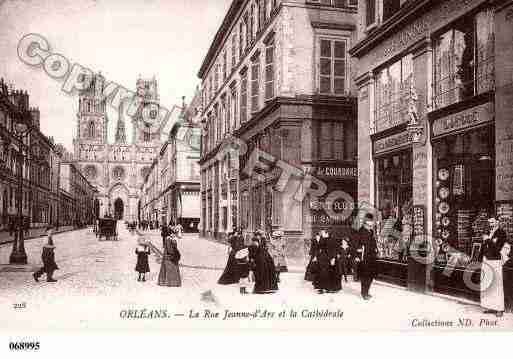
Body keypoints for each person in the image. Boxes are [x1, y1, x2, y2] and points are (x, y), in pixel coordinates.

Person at [481, 217, 508, 317]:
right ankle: (490, 306)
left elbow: (497, 249)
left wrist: (488, 239)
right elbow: (484, 247)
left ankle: (499, 309)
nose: (490, 224)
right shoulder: (488, 231)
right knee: (487, 284)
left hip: (495, 261)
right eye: (489, 222)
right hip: (486, 260)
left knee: (497, 285)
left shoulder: (501, 233)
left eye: (492, 222)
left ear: (497, 222)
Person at [352, 214, 378, 300]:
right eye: (371, 221)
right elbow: (355, 245)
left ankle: (367, 291)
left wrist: (376, 250)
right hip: (364, 257)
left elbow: (373, 243)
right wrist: (356, 255)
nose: (372, 223)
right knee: (365, 276)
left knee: (370, 275)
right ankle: (364, 293)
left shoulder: (371, 232)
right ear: (366, 222)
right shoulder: (360, 232)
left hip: (371, 257)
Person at [502, 242, 513, 313]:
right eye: (504, 248)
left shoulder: (510, 260)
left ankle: (509, 307)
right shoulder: (497, 257)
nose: (506, 250)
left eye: (508, 248)